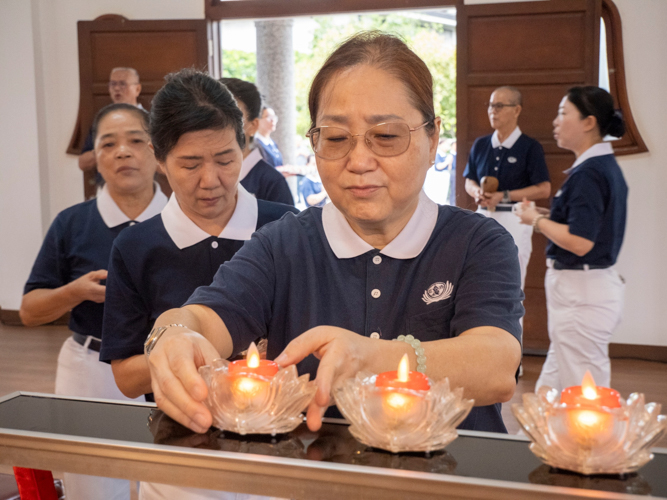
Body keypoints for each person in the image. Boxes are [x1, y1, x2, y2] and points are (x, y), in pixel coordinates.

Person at [144, 32, 523, 439]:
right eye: (337, 138)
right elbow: (207, 316)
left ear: (432, 139)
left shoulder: (475, 241)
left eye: (387, 136)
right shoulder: (285, 245)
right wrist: (172, 333)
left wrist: (370, 357)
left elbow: (496, 364)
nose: (359, 161)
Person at [98, 70, 297, 500]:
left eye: (226, 159)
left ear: (246, 144)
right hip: (180, 457)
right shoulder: (137, 246)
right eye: (190, 164)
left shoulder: (284, 227)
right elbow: (126, 378)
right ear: (159, 157)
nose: (211, 180)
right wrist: (182, 357)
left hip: (281, 451)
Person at [20, 103, 167, 500]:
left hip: (169, 366)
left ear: (158, 151)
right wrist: (75, 291)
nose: (123, 151)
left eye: (136, 140)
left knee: (171, 480)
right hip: (90, 368)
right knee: (93, 486)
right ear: (95, 160)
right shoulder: (72, 223)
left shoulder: (181, 220)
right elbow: (29, 311)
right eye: (108, 144)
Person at [516, 86, 628, 392]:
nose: (555, 121)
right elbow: (585, 225)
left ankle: (592, 442)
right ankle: (542, 437)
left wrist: (536, 220)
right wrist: (543, 215)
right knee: (550, 389)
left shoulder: (589, 174)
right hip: (585, 290)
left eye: (564, 113)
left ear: (589, 123)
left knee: (582, 390)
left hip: (582, 293)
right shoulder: (597, 168)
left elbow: (580, 242)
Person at [463, 87, 551, 290]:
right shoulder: (481, 144)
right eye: (491, 106)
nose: (493, 111)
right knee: (477, 282)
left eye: (500, 106)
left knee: (511, 284)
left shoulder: (529, 147)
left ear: (517, 110)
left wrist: (503, 196)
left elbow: (543, 189)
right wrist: (478, 192)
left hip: (516, 218)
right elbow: (469, 181)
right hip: (483, 216)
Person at [220, 78, 294, 206]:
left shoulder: (272, 183)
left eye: (232, 116)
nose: (219, 124)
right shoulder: (206, 178)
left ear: (253, 125)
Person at [78, 68, 143, 176]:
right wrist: (106, 148)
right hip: (107, 187)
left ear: (137, 89)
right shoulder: (101, 123)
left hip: (144, 186)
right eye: (113, 84)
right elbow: (83, 163)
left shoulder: (151, 122)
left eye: (123, 84)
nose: (117, 88)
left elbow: (165, 163)